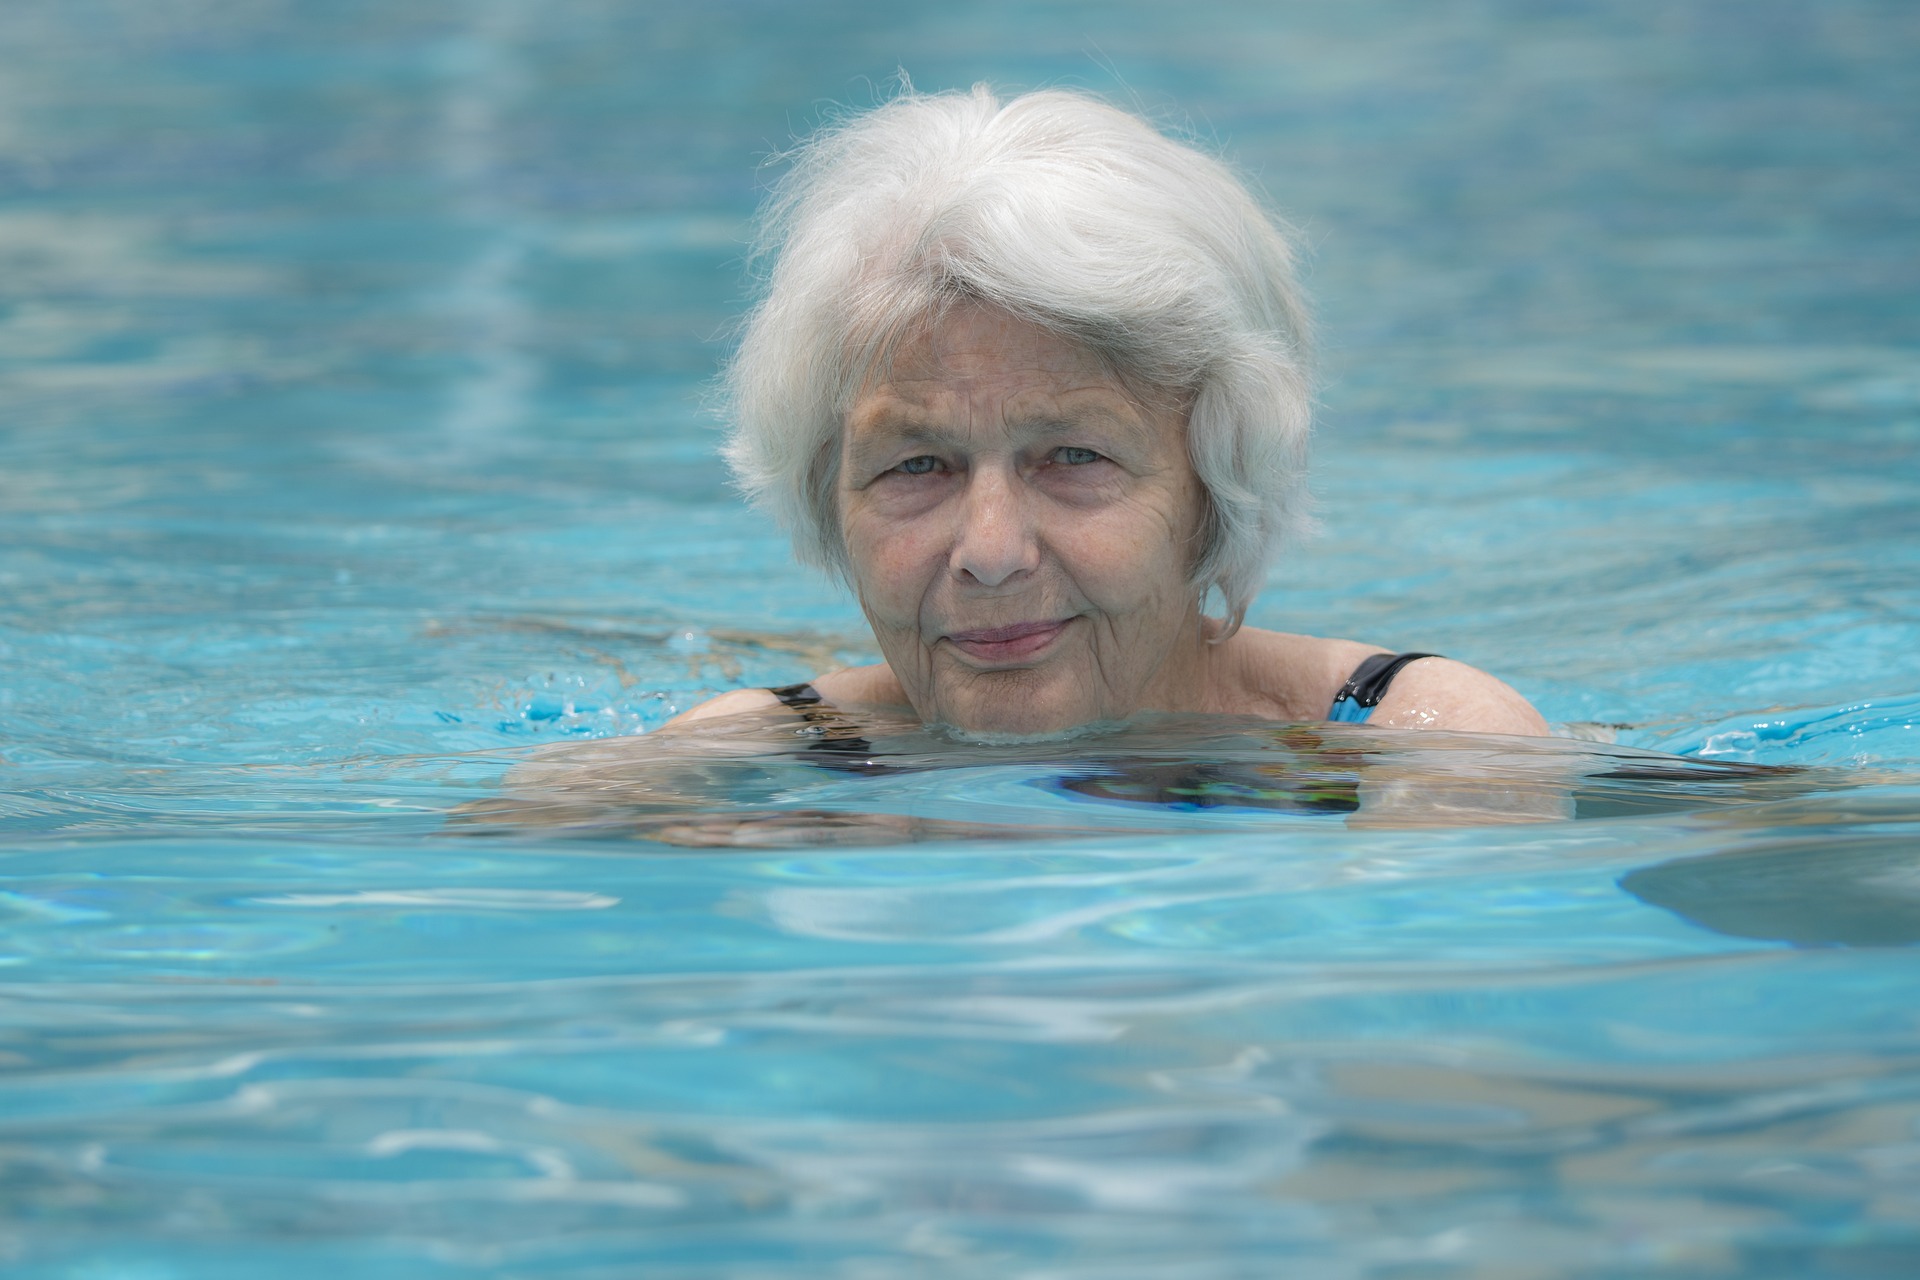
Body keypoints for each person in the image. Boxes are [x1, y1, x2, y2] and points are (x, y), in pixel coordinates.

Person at [671, 84, 1548, 741]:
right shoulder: (751, 758)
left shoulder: (1419, 739)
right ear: (829, 499)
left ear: (1218, 482)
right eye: (916, 465)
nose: (990, 555)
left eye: (1073, 456)